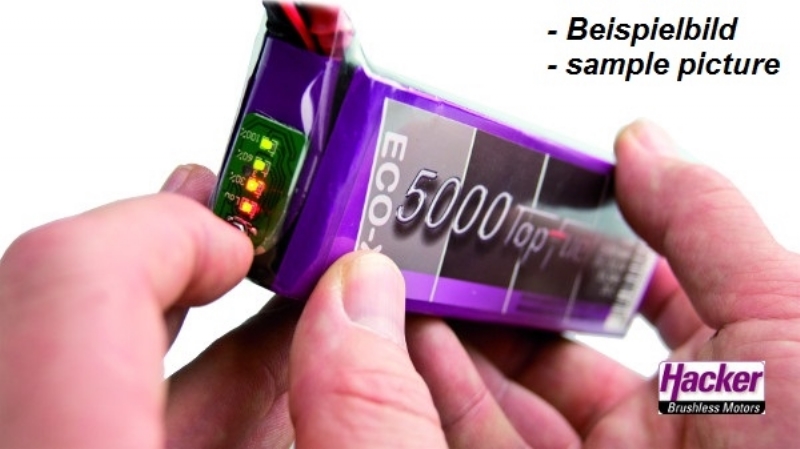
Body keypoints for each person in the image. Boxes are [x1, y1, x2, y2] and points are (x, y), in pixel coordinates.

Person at [0, 120, 796, 449]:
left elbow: (692, 400)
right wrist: (737, 390)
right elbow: (686, 399)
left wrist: (734, 391)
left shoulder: (705, 392)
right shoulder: (702, 393)